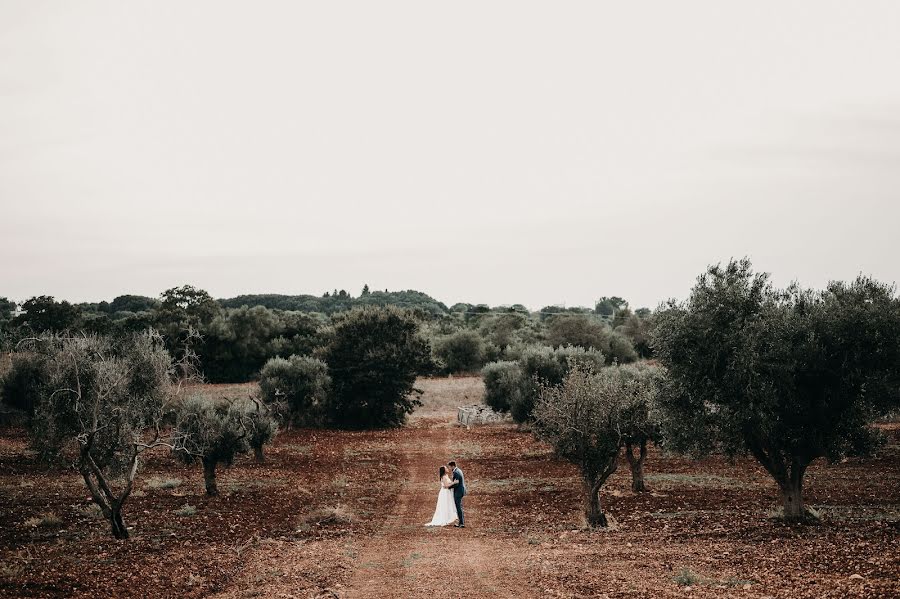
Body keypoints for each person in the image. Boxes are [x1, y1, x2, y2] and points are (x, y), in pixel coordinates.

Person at [447, 460, 466, 528]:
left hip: (458, 491)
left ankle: (461, 523)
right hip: (461, 490)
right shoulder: (458, 470)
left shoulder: (456, 472)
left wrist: (449, 487)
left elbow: (457, 483)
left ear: (452, 466)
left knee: (458, 507)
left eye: (449, 467)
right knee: (459, 506)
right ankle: (461, 522)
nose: (449, 468)